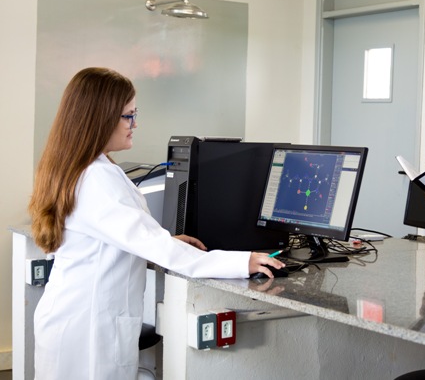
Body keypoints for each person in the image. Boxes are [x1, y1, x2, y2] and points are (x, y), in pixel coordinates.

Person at [28, 67, 285, 380]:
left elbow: (123, 235)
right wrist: (242, 261)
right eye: (128, 116)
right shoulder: (97, 178)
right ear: (100, 118)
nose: (135, 124)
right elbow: (161, 250)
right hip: (87, 333)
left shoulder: (83, 167)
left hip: (74, 321)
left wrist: (163, 239)